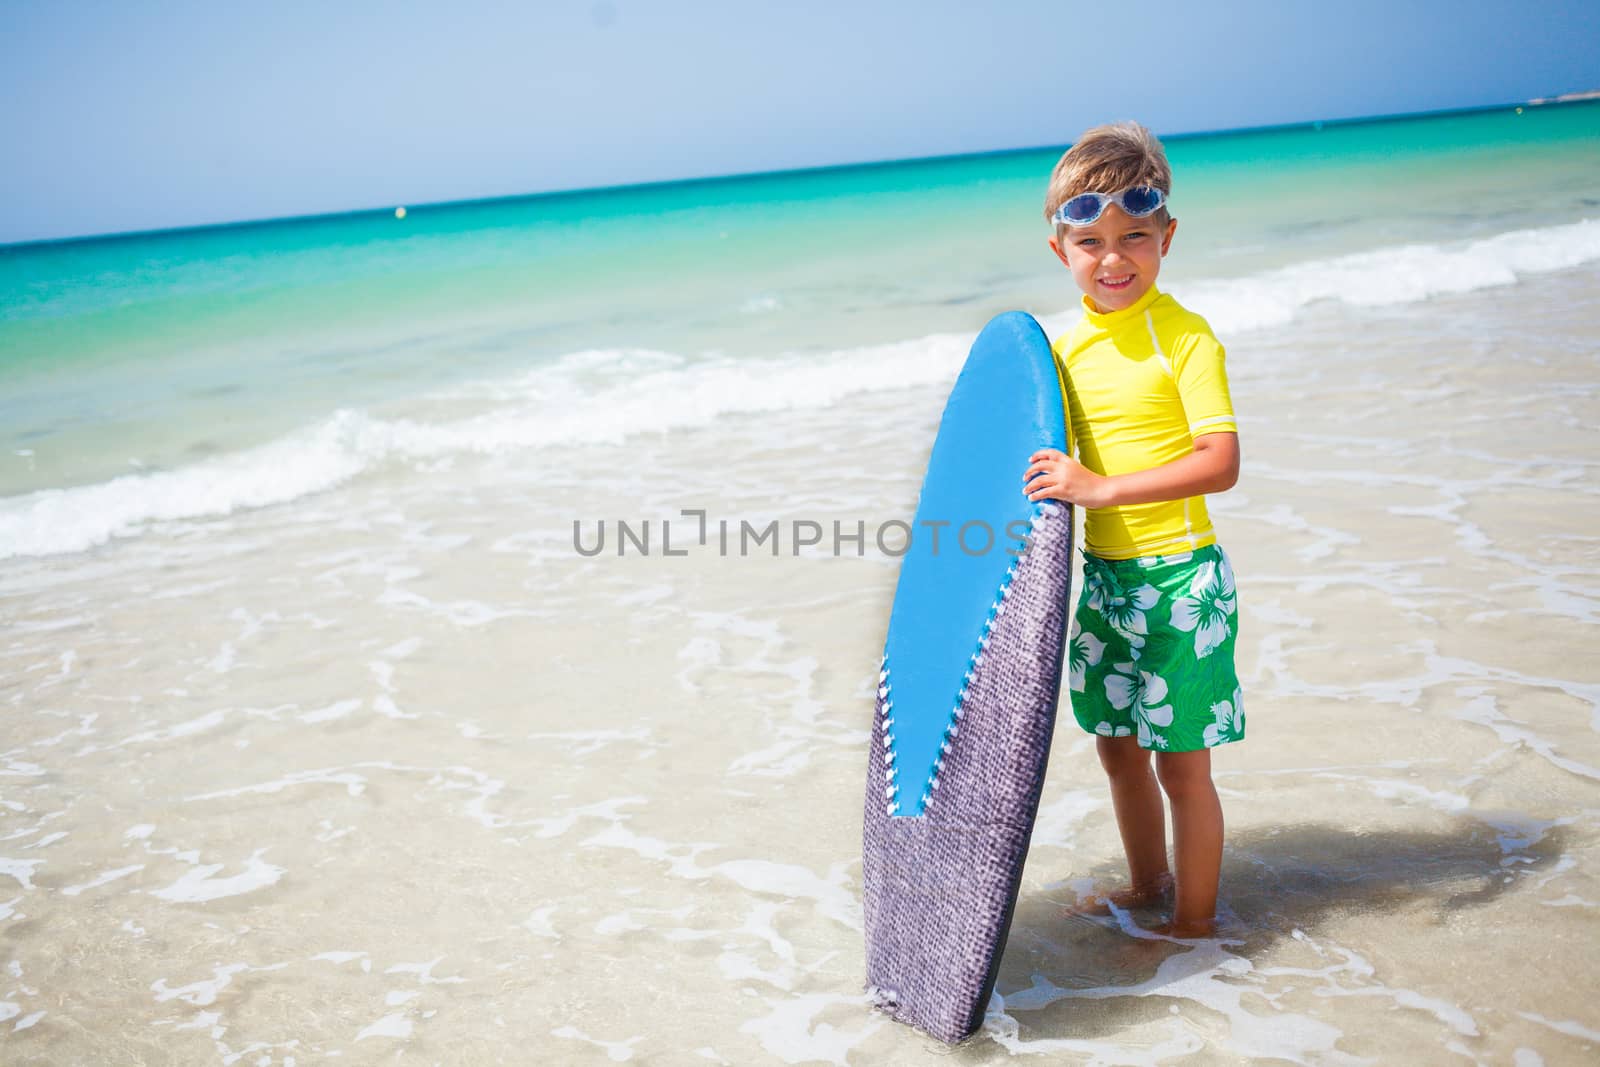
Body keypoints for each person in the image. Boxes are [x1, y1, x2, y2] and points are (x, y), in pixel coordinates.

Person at [1022, 121, 1244, 939]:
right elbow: (1036, 462)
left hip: (1183, 579)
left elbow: (1219, 462)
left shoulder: (1183, 337)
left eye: (1135, 237)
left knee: (1182, 767)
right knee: (1117, 753)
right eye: (1091, 241)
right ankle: (1149, 885)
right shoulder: (1062, 348)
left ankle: (1195, 923)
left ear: (1167, 237)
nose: (1113, 259)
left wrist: (1103, 488)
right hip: (1107, 581)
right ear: (1061, 250)